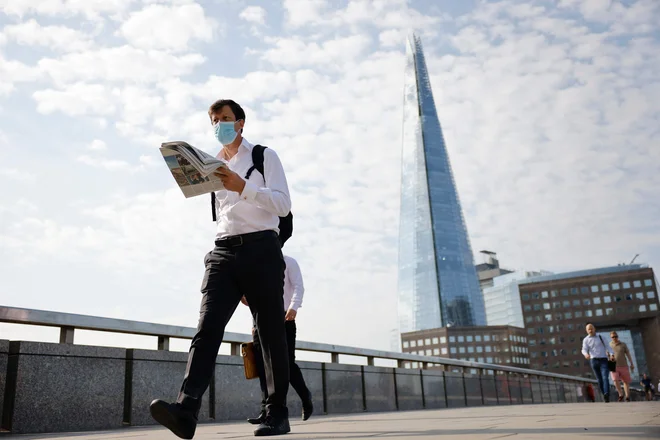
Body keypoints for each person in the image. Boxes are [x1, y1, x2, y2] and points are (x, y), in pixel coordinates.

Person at [149, 99, 292, 438]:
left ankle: (277, 413)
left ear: (240, 123)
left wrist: (240, 185)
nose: (219, 125)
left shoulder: (263, 156)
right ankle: (186, 410)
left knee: (270, 334)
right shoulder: (212, 162)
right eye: (214, 120)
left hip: (261, 249)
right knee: (206, 328)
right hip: (223, 252)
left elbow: (283, 205)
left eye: (225, 119)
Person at [242, 254, 313, 425]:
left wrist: (293, 307)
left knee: (286, 364)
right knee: (262, 366)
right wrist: (253, 320)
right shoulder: (258, 263)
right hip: (260, 322)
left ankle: (305, 396)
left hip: (284, 318)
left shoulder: (289, 262)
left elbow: (298, 286)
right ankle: (266, 410)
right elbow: (255, 297)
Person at [581, 323, 614, 402]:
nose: (590, 330)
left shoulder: (601, 337)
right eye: (588, 329)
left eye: (591, 328)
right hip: (594, 361)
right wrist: (586, 354)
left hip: (603, 360)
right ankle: (604, 394)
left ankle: (606, 393)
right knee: (599, 380)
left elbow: (608, 346)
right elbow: (584, 349)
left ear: (594, 329)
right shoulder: (586, 339)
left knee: (605, 377)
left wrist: (612, 354)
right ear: (586, 331)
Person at [608, 331, 635, 402]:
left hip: (623, 365)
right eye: (613, 337)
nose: (614, 338)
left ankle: (627, 397)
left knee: (626, 382)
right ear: (611, 338)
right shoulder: (609, 345)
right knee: (615, 380)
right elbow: (607, 355)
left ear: (617, 336)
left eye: (615, 336)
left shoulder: (623, 344)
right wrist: (609, 359)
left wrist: (631, 363)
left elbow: (628, 354)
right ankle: (620, 394)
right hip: (613, 365)